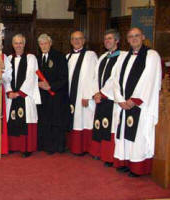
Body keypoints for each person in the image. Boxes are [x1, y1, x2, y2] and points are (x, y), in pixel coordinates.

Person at [113, 27, 161, 177]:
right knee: (124, 132)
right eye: (130, 36)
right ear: (127, 40)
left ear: (143, 37)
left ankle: (137, 166)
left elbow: (149, 79)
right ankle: (126, 162)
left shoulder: (151, 55)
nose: (134, 39)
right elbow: (114, 79)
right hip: (124, 104)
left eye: (137, 36)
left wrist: (134, 100)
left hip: (140, 105)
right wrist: (120, 99)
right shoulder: (123, 57)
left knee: (138, 133)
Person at [88, 29, 127, 167]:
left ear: (117, 40)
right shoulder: (103, 57)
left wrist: (103, 93)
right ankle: (98, 153)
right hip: (100, 97)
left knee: (109, 125)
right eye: (105, 39)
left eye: (110, 38)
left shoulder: (122, 56)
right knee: (99, 124)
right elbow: (94, 77)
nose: (107, 41)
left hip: (111, 98)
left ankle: (109, 156)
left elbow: (115, 79)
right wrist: (95, 93)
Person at [6, 34, 40, 157]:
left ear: (24, 44)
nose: (18, 45)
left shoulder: (31, 58)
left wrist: (20, 93)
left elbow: (31, 76)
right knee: (12, 120)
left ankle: (26, 148)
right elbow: (5, 78)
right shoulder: (8, 58)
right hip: (11, 97)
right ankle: (13, 146)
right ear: (12, 45)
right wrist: (9, 91)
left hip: (25, 96)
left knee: (25, 120)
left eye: (20, 43)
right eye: (16, 43)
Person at [36, 33, 69, 154]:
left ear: (50, 43)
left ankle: (57, 147)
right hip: (41, 96)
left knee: (56, 121)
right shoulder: (37, 59)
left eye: (46, 43)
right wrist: (38, 84)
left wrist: (51, 86)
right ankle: (45, 145)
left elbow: (64, 77)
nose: (43, 45)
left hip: (56, 95)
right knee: (44, 121)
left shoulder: (59, 57)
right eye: (41, 43)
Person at [66, 31, 98, 156]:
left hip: (84, 96)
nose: (76, 41)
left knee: (85, 120)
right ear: (71, 41)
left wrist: (88, 95)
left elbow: (94, 76)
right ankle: (74, 147)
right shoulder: (67, 56)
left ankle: (86, 148)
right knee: (74, 121)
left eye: (79, 39)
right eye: (74, 39)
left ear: (84, 41)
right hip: (71, 96)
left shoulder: (90, 55)